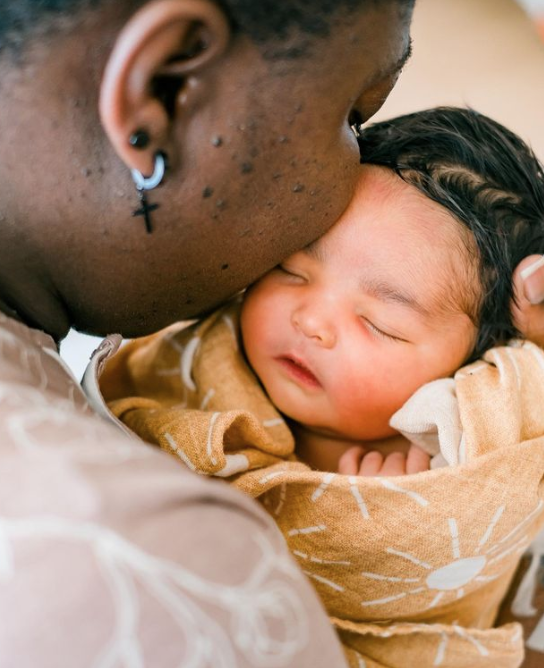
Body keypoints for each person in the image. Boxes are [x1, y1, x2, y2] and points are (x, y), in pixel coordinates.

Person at [0, 0, 542, 664]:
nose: (311, 319)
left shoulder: (457, 437)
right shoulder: (145, 558)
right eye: (349, 116)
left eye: (379, 324)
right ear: (165, 86)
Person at [100, 107, 544, 667]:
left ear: (470, 363)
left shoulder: (466, 452)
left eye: (378, 323)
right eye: (291, 269)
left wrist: (397, 520)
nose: (312, 320)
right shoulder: (202, 358)